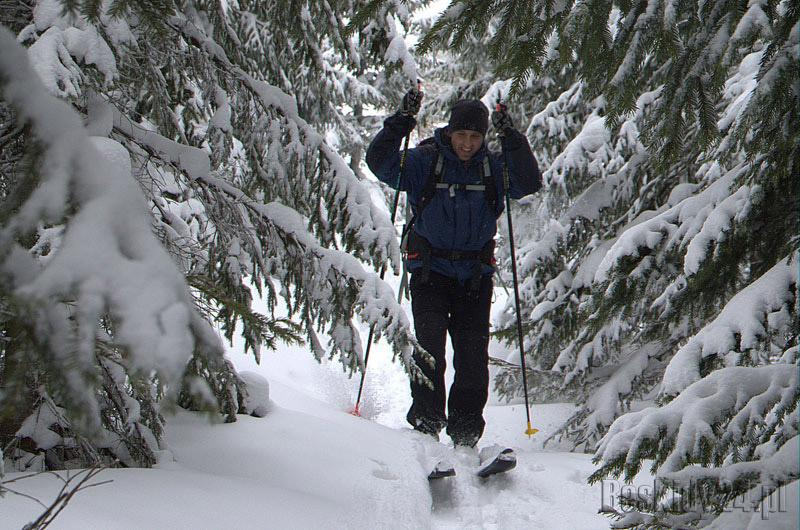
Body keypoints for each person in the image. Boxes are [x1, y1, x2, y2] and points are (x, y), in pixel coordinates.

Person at [366, 88, 542, 448]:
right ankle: (427, 425)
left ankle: (464, 433)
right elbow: (379, 162)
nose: (467, 143)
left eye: (475, 136)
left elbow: (528, 183)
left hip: (475, 278)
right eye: (461, 135)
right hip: (430, 273)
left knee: (472, 357)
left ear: (483, 137)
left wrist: (513, 140)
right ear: (449, 132)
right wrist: (400, 122)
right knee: (429, 350)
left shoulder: (493, 167)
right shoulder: (424, 162)